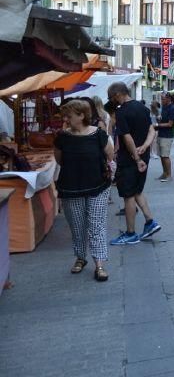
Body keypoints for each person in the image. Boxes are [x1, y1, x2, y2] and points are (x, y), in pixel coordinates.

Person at [53, 99, 115, 281]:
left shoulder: (98, 134)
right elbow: (59, 159)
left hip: (98, 186)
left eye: (68, 115)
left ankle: (100, 265)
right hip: (71, 187)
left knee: (96, 225)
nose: (65, 118)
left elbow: (109, 155)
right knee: (77, 226)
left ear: (81, 115)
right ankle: (81, 258)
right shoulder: (62, 136)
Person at [107, 82, 161, 245]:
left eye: (111, 97)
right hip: (143, 156)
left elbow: (127, 137)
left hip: (130, 159)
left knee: (128, 195)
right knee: (137, 190)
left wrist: (136, 158)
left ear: (117, 94)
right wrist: (145, 147)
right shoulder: (142, 108)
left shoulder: (122, 112)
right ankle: (150, 221)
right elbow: (152, 130)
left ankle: (131, 233)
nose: (111, 101)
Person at [155, 93, 174, 182]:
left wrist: (157, 124)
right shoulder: (164, 107)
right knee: (161, 155)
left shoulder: (172, 108)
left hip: (167, 135)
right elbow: (163, 119)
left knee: (165, 156)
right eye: (161, 99)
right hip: (161, 133)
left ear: (168, 99)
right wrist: (159, 119)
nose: (162, 101)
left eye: (163, 99)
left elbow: (170, 124)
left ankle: (169, 175)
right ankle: (164, 173)